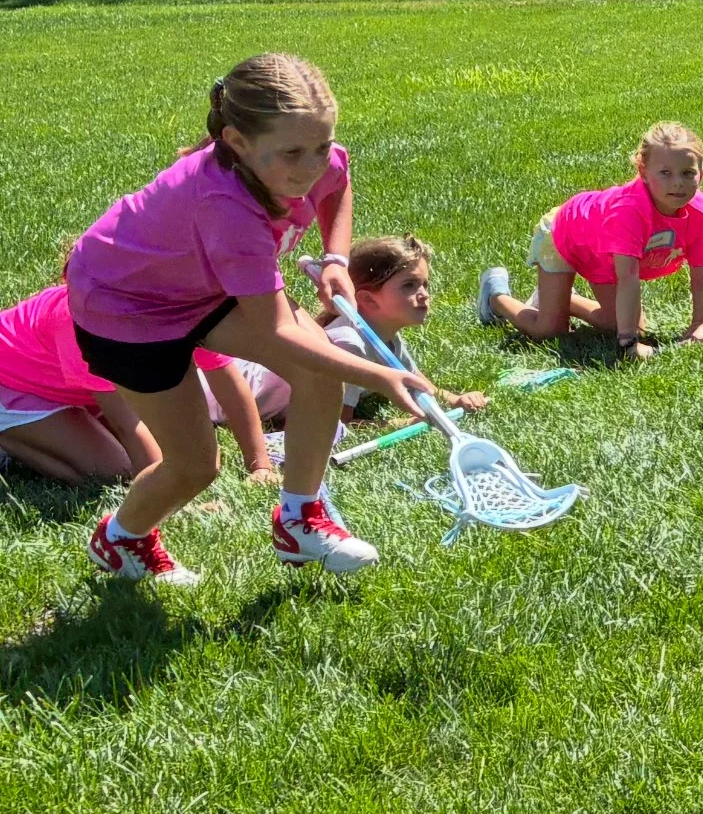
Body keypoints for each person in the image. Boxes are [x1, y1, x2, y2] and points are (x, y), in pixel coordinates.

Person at [65, 53, 431, 585]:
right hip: (124, 309)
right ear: (237, 142)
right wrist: (383, 375)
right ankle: (121, 539)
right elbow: (275, 331)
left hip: (200, 282)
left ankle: (300, 520)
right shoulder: (226, 209)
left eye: (321, 146)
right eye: (292, 154)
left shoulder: (309, 157)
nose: (310, 167)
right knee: (195, 466)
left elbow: (337, 182)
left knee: (321, 369)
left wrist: (335, 258)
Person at [476, 122, 703, 360]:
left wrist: (700, 323)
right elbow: (627, 278)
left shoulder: (700, 211)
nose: (677, 183)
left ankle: (558, 299)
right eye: (665, 173)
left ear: (701, 174)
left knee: (621, 324)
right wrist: (629, 342)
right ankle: (495, 297)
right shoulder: (629, 212)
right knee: (549, 331)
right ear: (643, 172)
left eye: (688, 173)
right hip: (565, 233)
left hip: (601, 251)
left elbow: (701, 269)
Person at [0, 283, 276, 485]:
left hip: (68, 384)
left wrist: (260, 465)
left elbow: (226, 378)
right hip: (12, 386)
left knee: (180, 445)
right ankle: (11, 439)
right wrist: (176, 497)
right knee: (115, 470)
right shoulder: (87, 322)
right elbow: (127, 422)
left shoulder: (181, 306)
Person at [202, 236, 486, 428]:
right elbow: (338, 424)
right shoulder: (350, 344)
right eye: (409, 286)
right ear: (368, 300)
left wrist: (453, 399)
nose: (424, 294)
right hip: (221, 401)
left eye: (424, 284)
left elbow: (414, 381)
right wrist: (404, 423)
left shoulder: (385, 336)